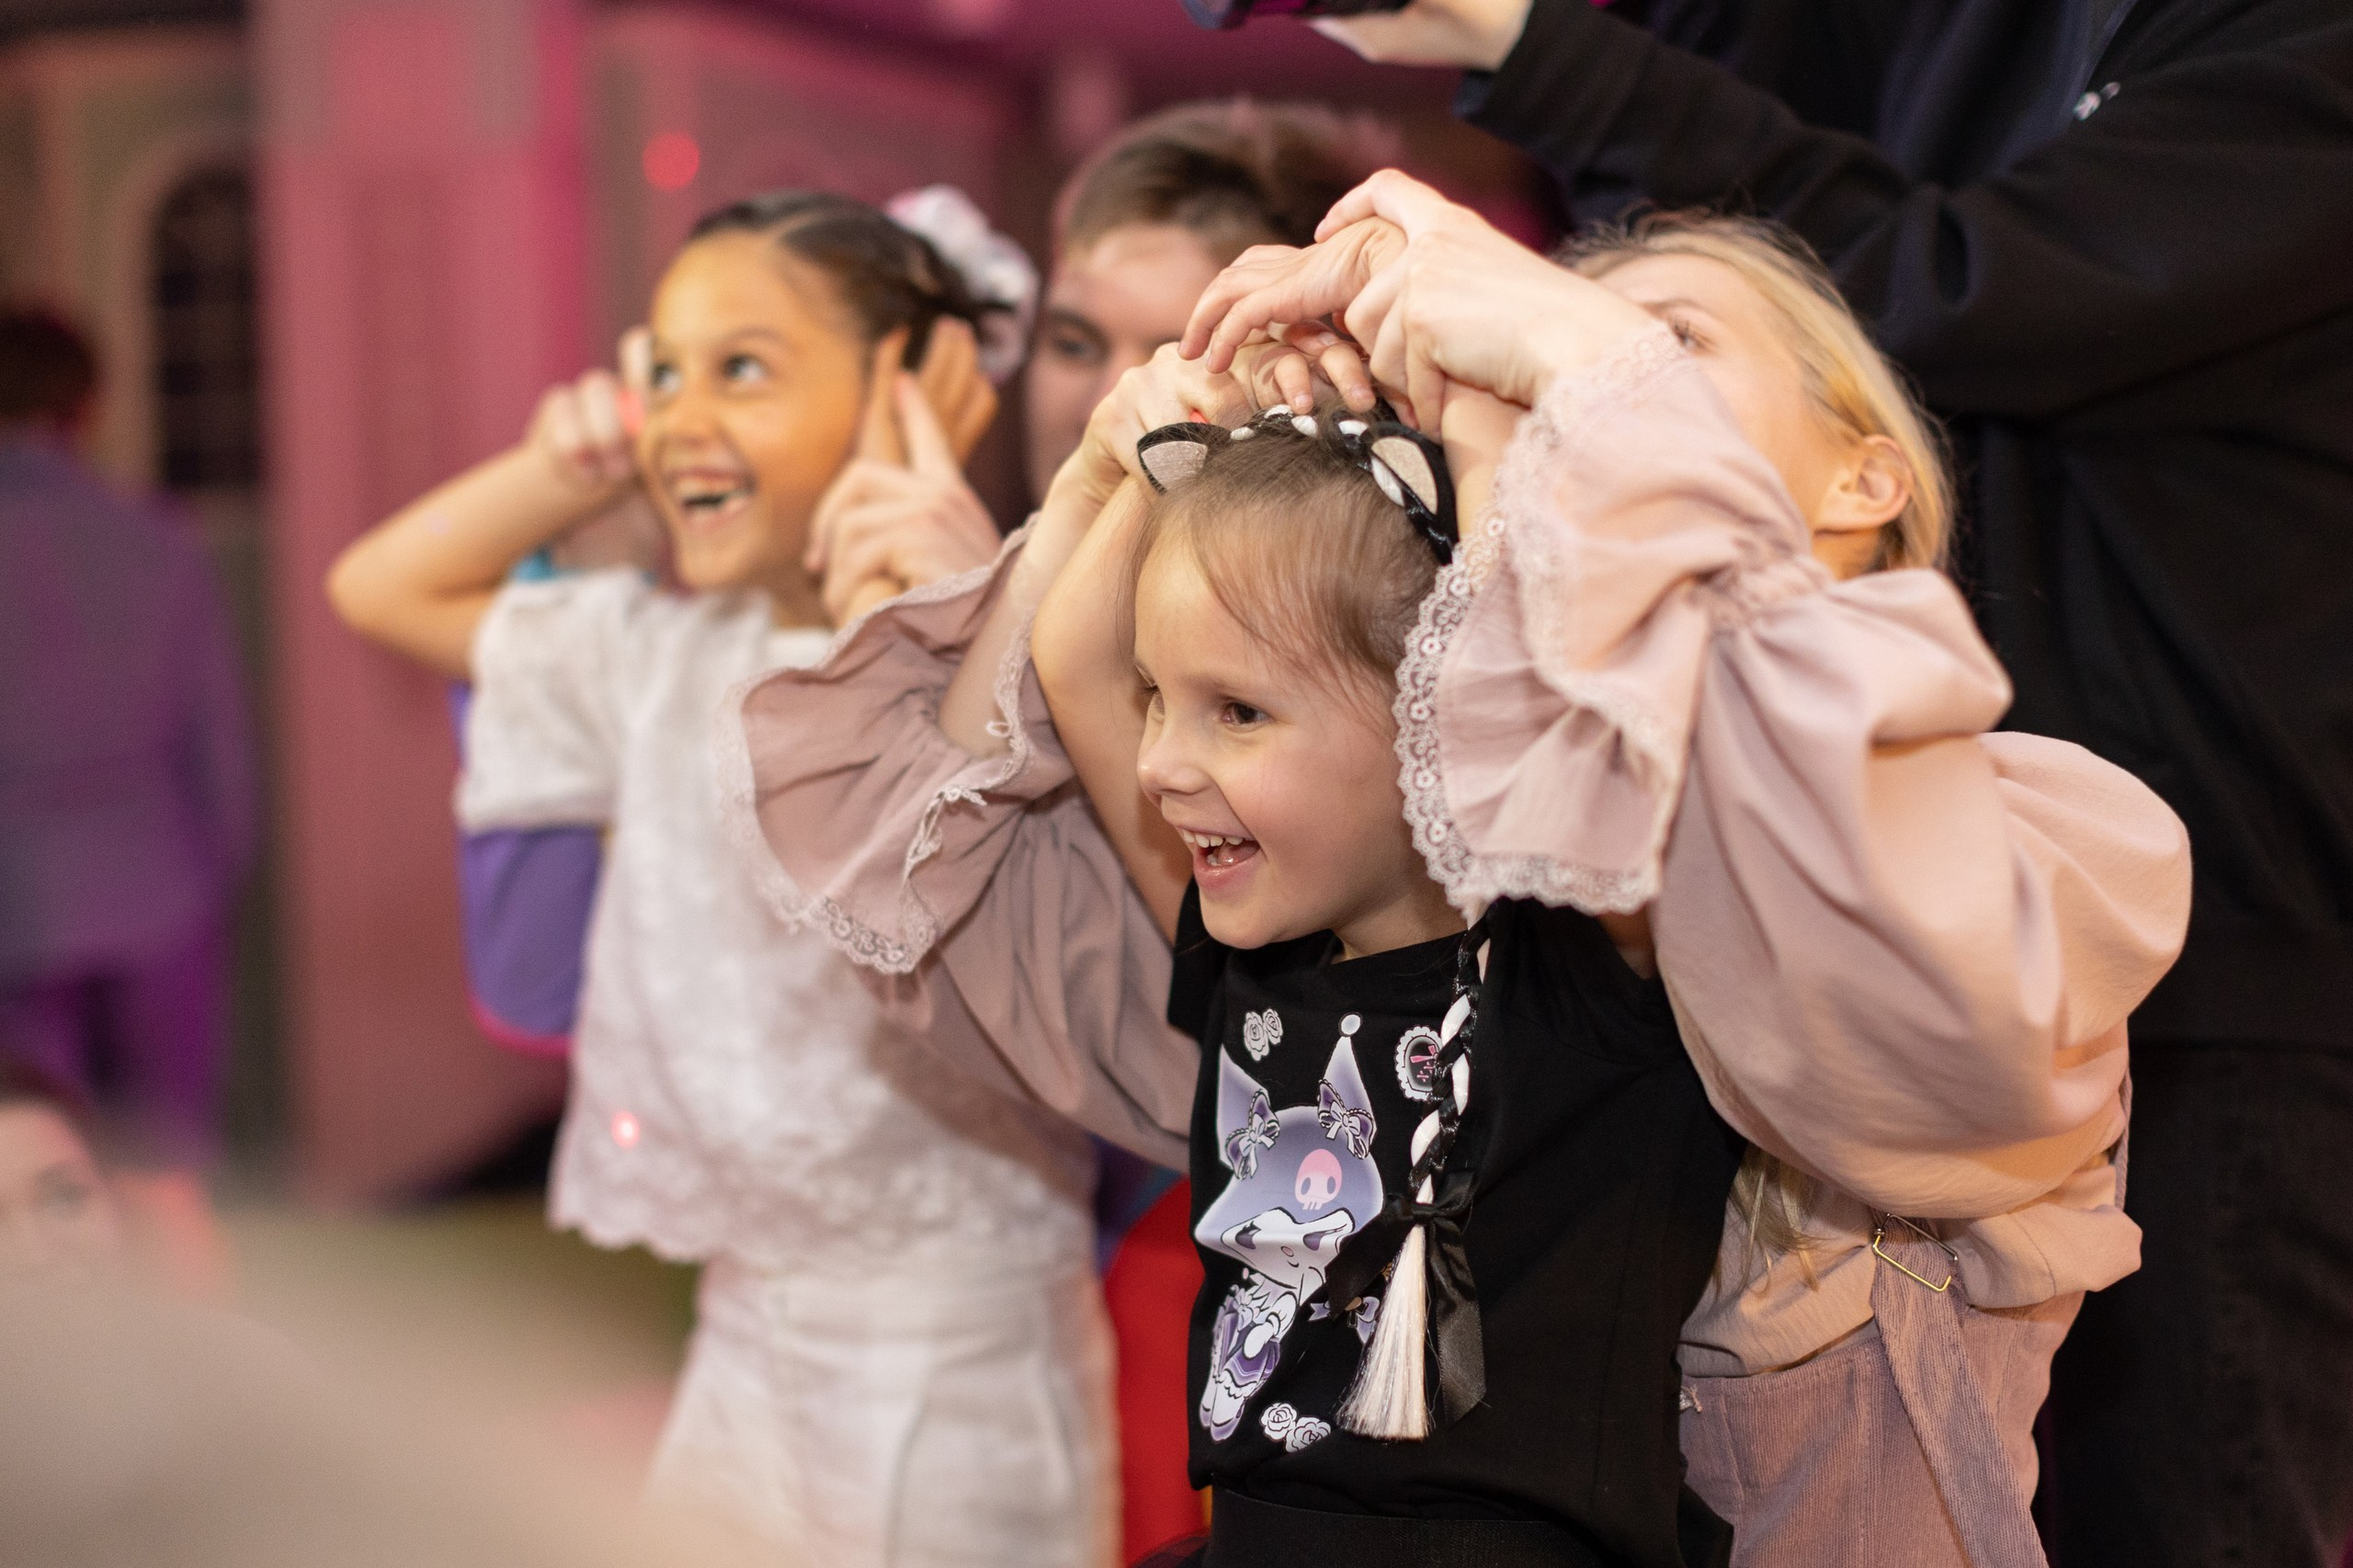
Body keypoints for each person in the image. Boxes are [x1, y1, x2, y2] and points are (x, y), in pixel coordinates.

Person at [727, 171, 2188, 1565]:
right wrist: (1129, 456)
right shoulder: (1385, 895)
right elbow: (1092, 698)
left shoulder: (2031, 837)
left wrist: (1571, 383)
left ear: (1866, 470)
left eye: (1662, 347)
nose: (1569, 395)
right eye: (1523, 367)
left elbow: (1747, 820)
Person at [1302, 6, 2353, 1563]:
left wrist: (1591, 339)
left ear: (1871, 476)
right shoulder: (1540, 821)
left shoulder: (2293, 51)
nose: (1593, 420)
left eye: (1661, 371)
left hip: (2210, 951)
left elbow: (1955, 287)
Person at [326, 191, 1114, 1566]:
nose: (683, 412)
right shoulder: (657, 660)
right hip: (739, 1350)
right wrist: (586, 461)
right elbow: (380, 586)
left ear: (908, 382)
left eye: (740, 368)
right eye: (662, 370)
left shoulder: (1003, 641)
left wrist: (940, 592)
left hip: (953, 1368)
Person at [801, 101, 1388, 1562]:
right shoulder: (1005, 579)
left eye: (1179, 341)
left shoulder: (1374, 666)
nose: (1111, 392)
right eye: (1075, 340)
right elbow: (894, 916)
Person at [0, 308, 258, 1176]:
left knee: (35, 1191)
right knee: (166, 1182)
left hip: (17, 908)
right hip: (158, 892)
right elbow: (214, 740)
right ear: (87, 404)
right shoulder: (156, 538)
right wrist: (219, 869)